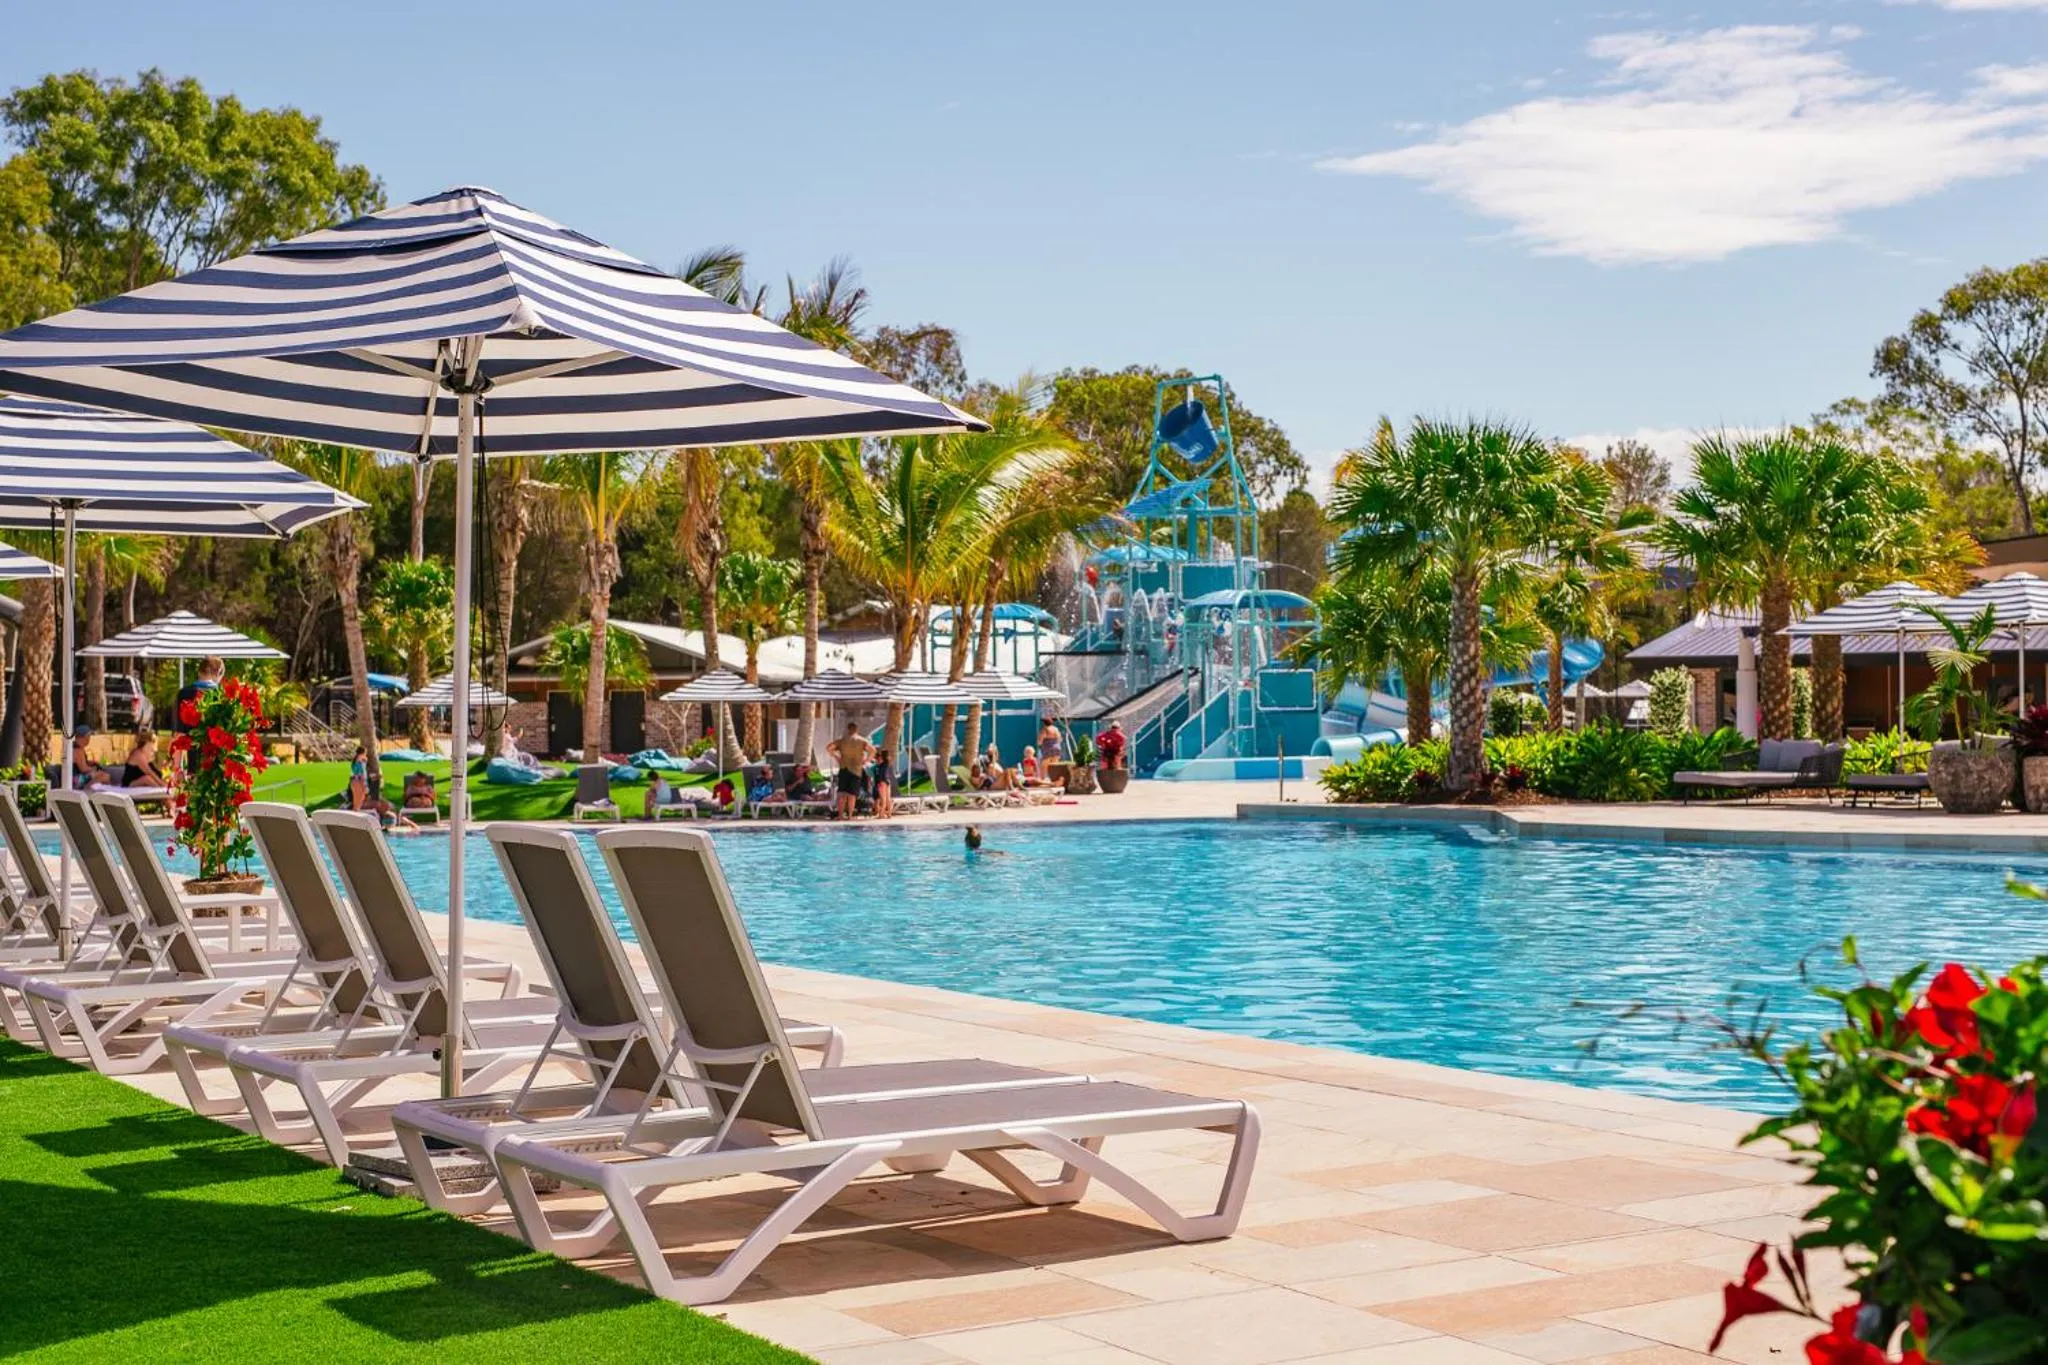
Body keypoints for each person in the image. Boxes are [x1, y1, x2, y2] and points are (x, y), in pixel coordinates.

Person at [828, 721, 873, 819]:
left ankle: (840, 816)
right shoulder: (862, 741)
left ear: (848, 729)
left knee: (841, 793)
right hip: (856, 769)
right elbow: (873, 751)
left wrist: (837, 757)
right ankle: (850, 816)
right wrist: (866, 760)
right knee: (852, 795)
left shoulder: (842, 740)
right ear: (857, 729)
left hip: (844, 768)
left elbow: (828, 748)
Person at [173, 656, 225, 735]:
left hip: (188, 744)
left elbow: (179, 730)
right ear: (218, 673)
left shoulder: (183, 693)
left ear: (199, 671)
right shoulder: (221, 695)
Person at [69, 724, 112, 789]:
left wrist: (91, 763)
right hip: (76, 779)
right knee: (105, 776)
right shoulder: (78, 751)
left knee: (103, 775)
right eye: (87, 737)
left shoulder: (77, 748)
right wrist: (94, 769)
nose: (88, 740)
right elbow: (83, 769)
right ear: (81, 737)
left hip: (76, 777)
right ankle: (87, 790)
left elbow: (80, 763)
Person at [869, 750, 894, 818]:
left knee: (883, 799)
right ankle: (889, 814)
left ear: (882, 757)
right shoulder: (887, 763)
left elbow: (880, 774)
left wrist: (879, 782)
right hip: (887, 781)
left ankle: (881, 814)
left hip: (882, 782)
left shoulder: (880, 765)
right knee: (888, 799)